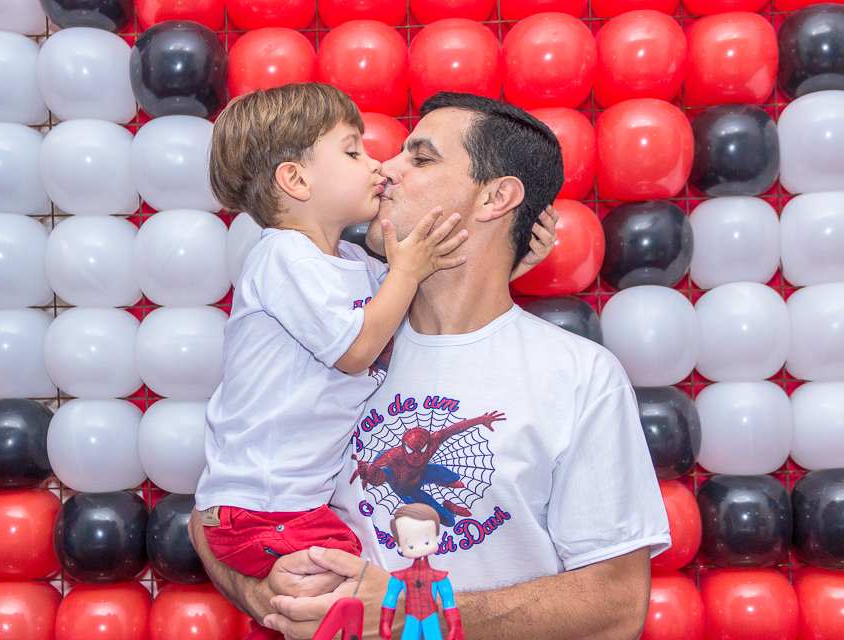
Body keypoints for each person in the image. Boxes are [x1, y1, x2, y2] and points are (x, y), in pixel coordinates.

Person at [191, 91, 670, 640]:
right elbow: (211, 518)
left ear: (495, 197)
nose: (384, 169)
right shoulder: (326, 328)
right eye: (371, 154)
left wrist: (408, 608)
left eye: (418, 159)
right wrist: (272, 597)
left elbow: (616, 606)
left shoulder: (580, 375)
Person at [380, 504, 463, 640]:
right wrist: (384, 625)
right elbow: (390, 598)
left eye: (425, 541)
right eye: (410, 545)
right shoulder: (400, 577)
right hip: (411, 616)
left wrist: (455, 627)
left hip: (430, 616)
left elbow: (449, 601)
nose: (418, 549)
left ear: (437, 538)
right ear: (400, 547)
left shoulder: (439, 577)